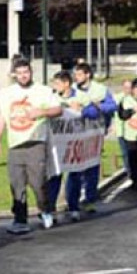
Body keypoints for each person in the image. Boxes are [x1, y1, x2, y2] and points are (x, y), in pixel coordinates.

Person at [0, 59, 62, 234]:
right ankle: (20, 219)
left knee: (38, 182)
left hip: (36, 142)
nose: (23, 76)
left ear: (31, 72)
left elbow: (58, 109)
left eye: (26, 72)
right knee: (16, 184)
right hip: (15, 144)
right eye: (20, 72)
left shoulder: (43, 91)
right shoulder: (6, 94)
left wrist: (42, 112)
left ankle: (45, 209)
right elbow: (2, 117)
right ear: (14, 74)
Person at [48, 70, 99, 223]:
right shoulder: (52, 97)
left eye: (57, 83)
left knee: (74, 176)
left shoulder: (81, 96)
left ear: (66, 83)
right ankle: (51, 209)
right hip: (57, 143)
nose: (55, 86)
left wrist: (82, 110)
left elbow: (94, 112)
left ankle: (73, 207)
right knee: (54, 176)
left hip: (75, 142)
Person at [70, 64, 116, 214]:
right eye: (75, 75)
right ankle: (73, 201)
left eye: (79, 74)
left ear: (87, 75)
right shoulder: (72, 90)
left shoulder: (100, 89)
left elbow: (112, 106)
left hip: (94, 134)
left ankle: (89, 199)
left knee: (92, 168)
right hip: (75, 134)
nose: (76, 77)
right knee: (75, 168)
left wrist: (98, 107)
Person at [114, 80, 133, 175]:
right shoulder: (117, 98)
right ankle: (130, 173)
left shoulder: (134, 98)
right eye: (126, 87)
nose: (128, 90)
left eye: (129, 87)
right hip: (121, 131)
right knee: (125, 153)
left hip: (133, 131)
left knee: (133, 153)